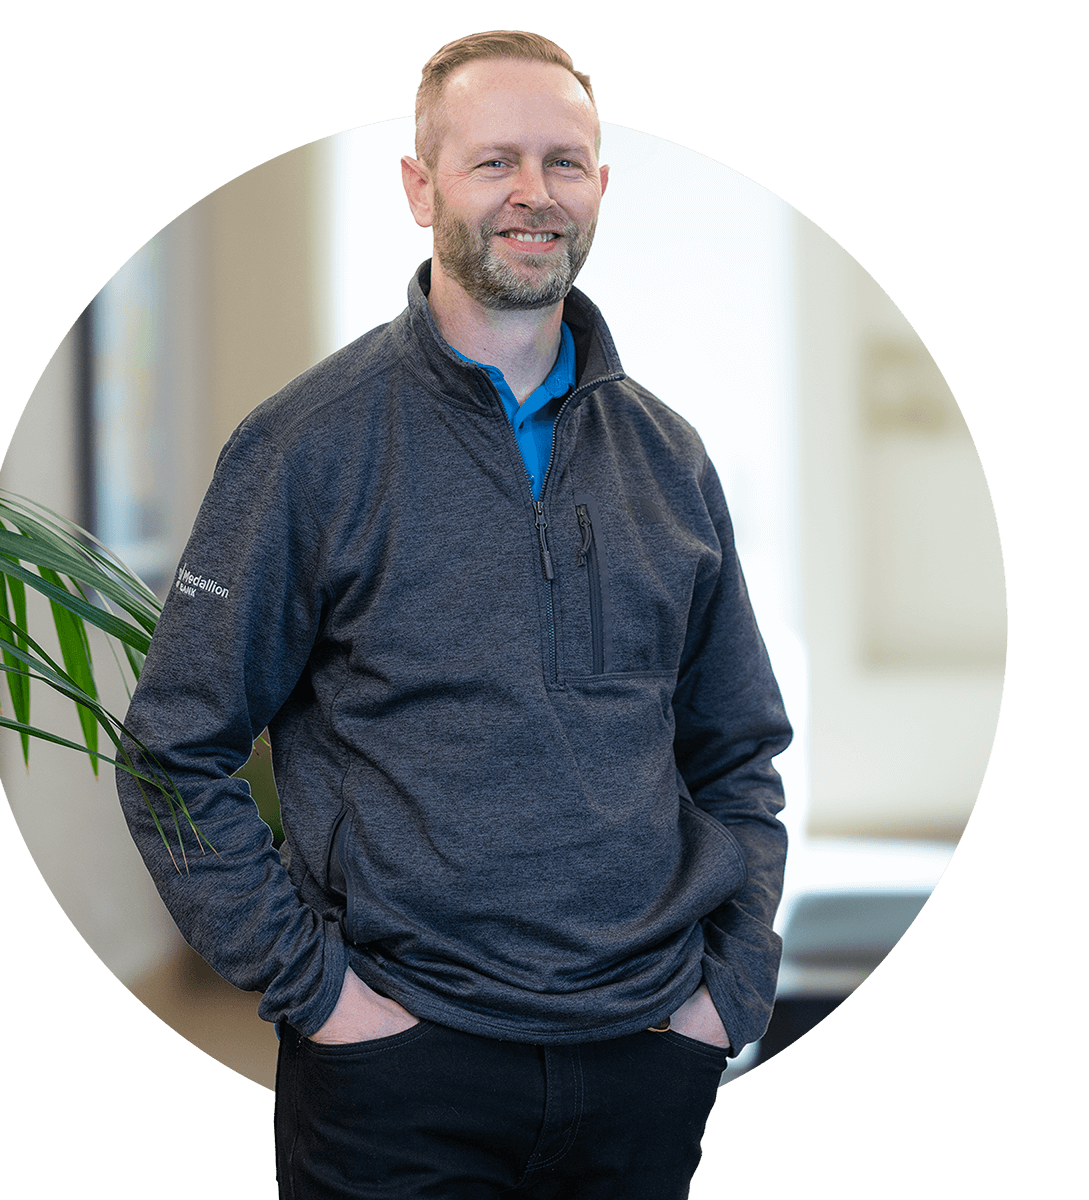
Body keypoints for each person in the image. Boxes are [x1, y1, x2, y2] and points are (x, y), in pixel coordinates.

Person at [116, 30, 792, 1199]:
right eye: (494, 162)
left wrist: (725, 992)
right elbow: (173, 754)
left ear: (600, 187)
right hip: (398, 1072)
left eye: (564, 162)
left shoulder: (670, 459)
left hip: (644, 1060)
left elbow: (738, 754)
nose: (535, 193)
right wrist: (322, 997)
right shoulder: (307, 447)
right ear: (420, 187)